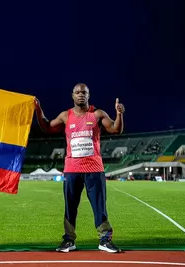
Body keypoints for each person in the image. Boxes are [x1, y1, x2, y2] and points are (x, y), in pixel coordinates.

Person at [35, 83, 125, 253]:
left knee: (99, 206)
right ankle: (69, 240)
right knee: (70, 205)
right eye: (77, 92)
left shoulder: (97, 114)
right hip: (72, 170)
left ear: (88, 95)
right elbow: (47, 127)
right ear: (72, 95)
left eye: (84, 92)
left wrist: (119, 114)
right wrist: (38, 110)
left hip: (94, 169)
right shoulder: (65, 116)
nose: (81, 95)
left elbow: (115, 129)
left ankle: (105, 239)